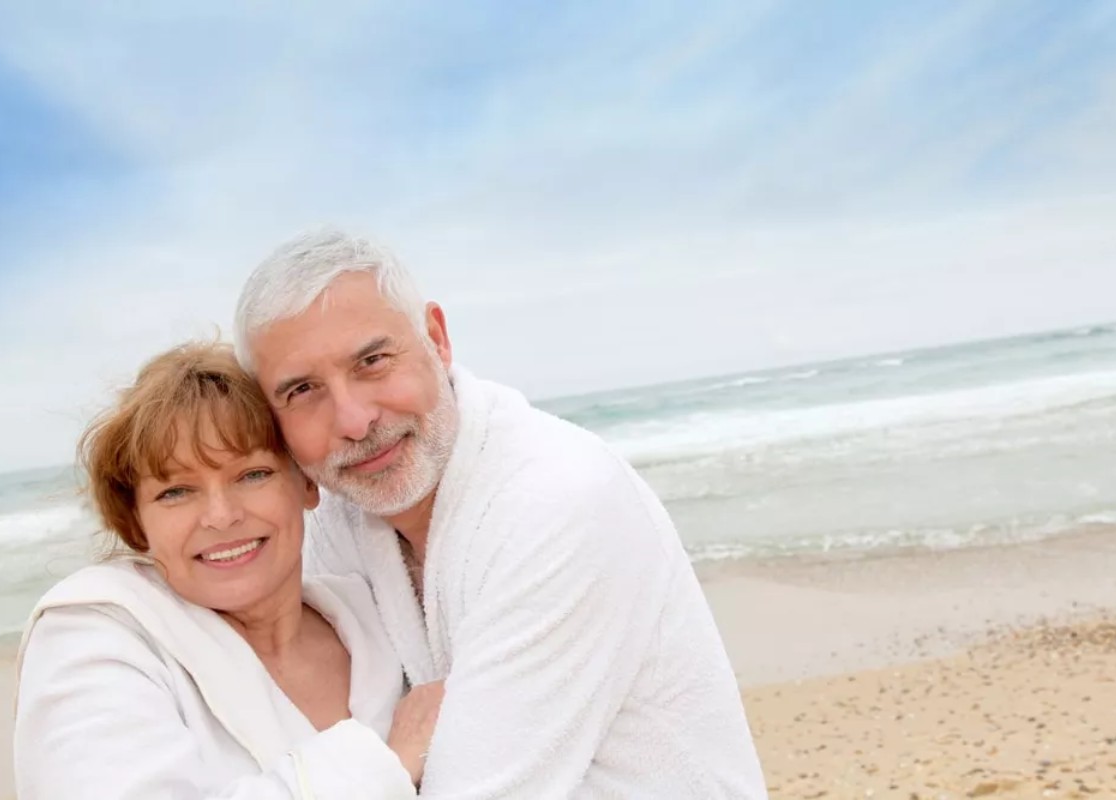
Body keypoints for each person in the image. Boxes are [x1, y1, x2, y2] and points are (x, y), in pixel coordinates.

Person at [234, 229, 769, 798]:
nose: (354, 420)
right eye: (302, 391)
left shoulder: (557, 502)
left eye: (372, 361)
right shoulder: (340, 518)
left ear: (436, 339)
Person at [13, 343, 441, 799]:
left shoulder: (378, 617)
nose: (220, 516)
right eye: (176, 491)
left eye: (253, 474)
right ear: (135, 522)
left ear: (306, 482)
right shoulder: (94, 634)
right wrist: (386, 764)